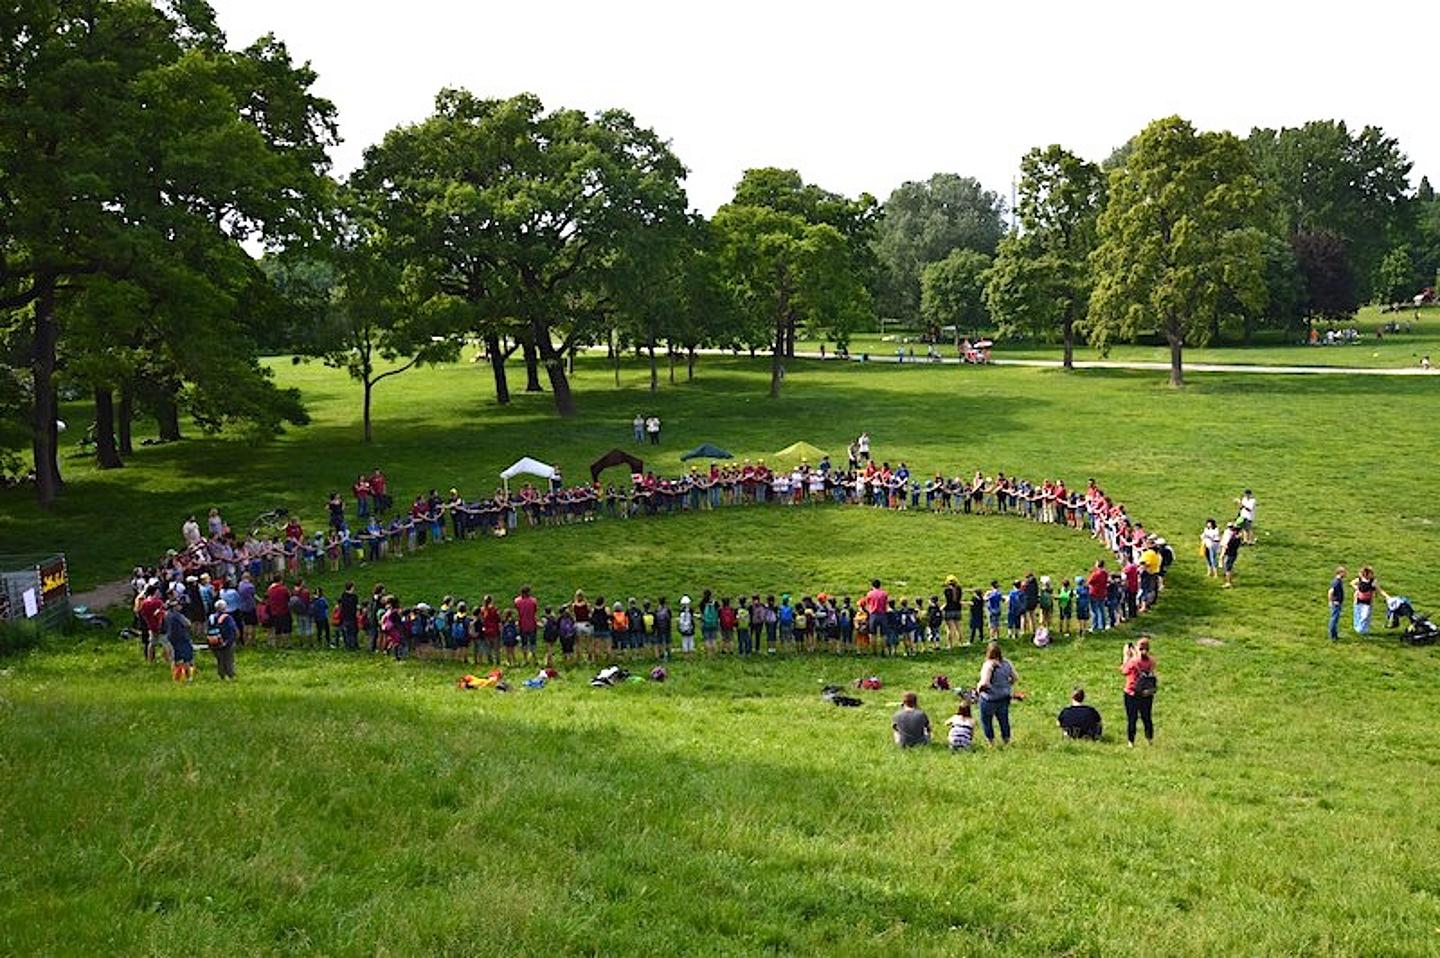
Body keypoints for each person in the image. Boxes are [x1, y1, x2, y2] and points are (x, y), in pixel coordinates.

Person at [976, 642, 1018, 746]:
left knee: (986, 720)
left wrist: (978, 689)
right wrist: (1006, 685)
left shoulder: (988, 665)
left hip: (989, 698)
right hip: (1004, 696)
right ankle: (1006, 740)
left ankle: (991, 742)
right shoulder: (1007, 663)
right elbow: (1015, 678)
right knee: (1004, 720)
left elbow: (984, 682)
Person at [1120, 639, 1157, 746]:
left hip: (1132, 692)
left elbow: (1124, 671)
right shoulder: (1151, 661)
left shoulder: (1133, 662)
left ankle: (1131, 742)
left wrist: (1126, 656)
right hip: (1147, 693)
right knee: (1147, 717)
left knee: (1132, 718)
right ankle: (1149, 739)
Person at [163, 598, 195, 682]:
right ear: (174, 607)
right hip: (182, 638)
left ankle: (176, 678)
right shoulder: (177, 615)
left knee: (175, 659)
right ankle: (189, 678)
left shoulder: (167, 614)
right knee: (186, 659)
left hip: (171, 638)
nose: (180, 606)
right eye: (178, 605)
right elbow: (188, 623)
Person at [208, 598, 239, 680]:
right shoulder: (227, 617)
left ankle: (221, 675)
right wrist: (232, 639)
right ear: (224, 608)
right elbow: (232, 629)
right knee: (228, 659)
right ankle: (231, 675)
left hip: (214, 641)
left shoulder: (211, 617)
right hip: (226, 641)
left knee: (220, 660)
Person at [1351, 566, 1386, 635]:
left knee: (1365, 616)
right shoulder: (1360, 579)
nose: (1371, 574)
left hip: (1368, 601)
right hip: (1358, 600)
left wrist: (1387, 597)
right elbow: (1352, 583)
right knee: (1358, 614)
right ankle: (1360, 629)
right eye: (1370, 573)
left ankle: (1362, 629)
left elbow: (1379, 590)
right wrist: (1357, 589)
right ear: (1366, 574)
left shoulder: (1373, 581)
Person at [515, 585, 539, 664]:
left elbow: (517, 611)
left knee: (524, 643)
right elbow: (535, 611)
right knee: (533, 642)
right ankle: (534, 658)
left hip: (522, 624)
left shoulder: (517, 601)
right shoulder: (533, 601)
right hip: (532, 624)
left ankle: (525, 659)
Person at [1220, 522, 1243, 588]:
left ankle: (1228, 583)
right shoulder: (1237, 538)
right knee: (1228, 568)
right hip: (1233, 554)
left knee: (1227, 569)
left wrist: (1224, 545)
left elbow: (1228, 546)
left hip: (1230, 554)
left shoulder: (1234, 539)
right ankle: (1229, 581)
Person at [1327, 565, 1347, 641]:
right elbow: (1330, 592)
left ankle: (1335, 635)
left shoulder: (1339, 581)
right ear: (1340, 573)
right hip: (1336, 604)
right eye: (1344, 572)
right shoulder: (1337, 582)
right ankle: (1332, 636)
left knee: (1335, 620)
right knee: (1334, 619)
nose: (1346, 574)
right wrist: (1332, 602)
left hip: (1337, 603)